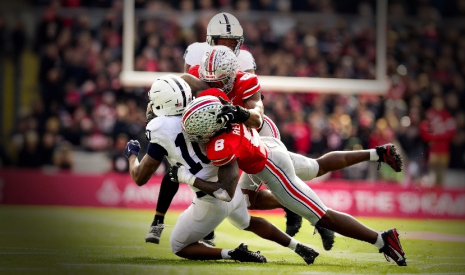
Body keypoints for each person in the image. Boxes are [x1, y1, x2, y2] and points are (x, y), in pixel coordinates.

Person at [175, 95, 407, 266]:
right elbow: (249, 113)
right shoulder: (226, 110)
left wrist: (187, 177)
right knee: (316, 167)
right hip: (270, 147)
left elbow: (226, 191)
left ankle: (382, 240)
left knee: (322, 216)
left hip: (270, 168)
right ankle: (378, 153)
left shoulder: (222, 145)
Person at [146, 12, 306, 248]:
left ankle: (292, 202)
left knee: (254, 192)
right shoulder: (195, 58)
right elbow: (182, 87)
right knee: (177, 160)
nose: (228, 47)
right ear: (211, 40)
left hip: (239, 125)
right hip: (212, 125)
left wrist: (231, 110)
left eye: (233, 43)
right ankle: (159, 220)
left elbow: (252, 102)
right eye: (223, 41)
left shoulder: (245, 63)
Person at [127, 75, 319, 264]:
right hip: (231, 187)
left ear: (163, 102)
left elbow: (140, 177)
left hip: (212, 197)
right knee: (247, 223)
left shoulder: (160, 127)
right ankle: (299, 247)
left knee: (179, 245)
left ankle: (233, 253)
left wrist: (133, 155)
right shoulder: (202, 110)